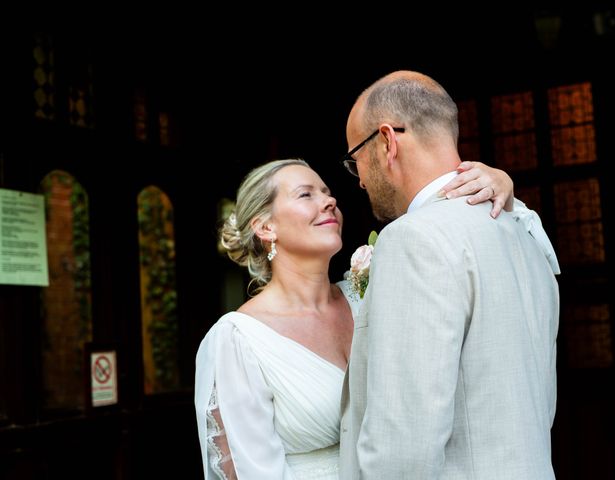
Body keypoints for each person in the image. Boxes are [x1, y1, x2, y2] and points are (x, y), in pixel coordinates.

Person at [194, 157, 527, 479]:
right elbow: (250, 471)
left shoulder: (371, 297)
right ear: (266, 227)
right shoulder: (238, 340)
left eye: (327, 192)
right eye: (306, 194)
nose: (329, 201)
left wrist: (498, 184)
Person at [339, 70, 560, 479]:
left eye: (356, 161)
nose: (361, 181)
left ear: (387, 141)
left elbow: (404, 446)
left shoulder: (412, 240)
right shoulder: (524, 228)